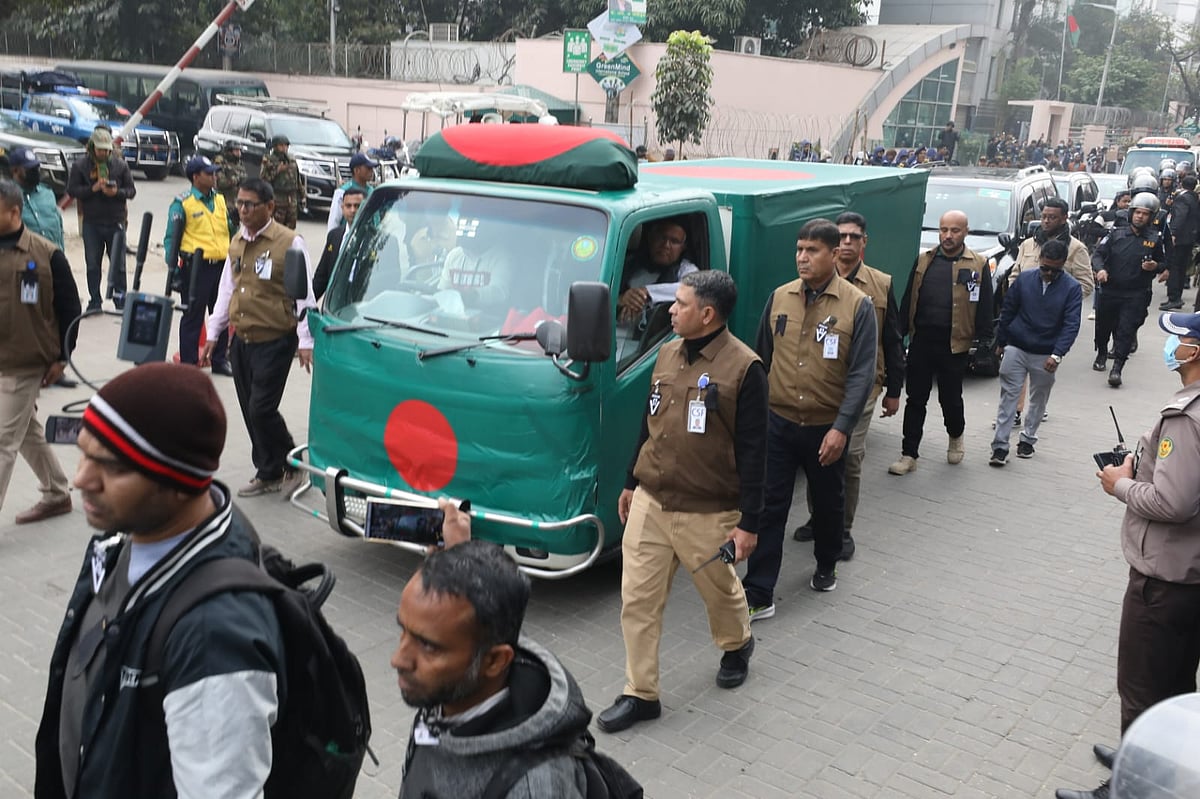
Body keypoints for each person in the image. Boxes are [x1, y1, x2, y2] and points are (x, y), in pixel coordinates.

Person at [33, 362, 285, 799]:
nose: (80, 480)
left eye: (110, 466)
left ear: (179, 483)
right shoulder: (135, 530)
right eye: (84, 452)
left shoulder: (215, 636)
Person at [597, 270, 765, 733]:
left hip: (708, 510)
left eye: (681, 303)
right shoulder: (666, 352)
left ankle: (736, 643)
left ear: (707, 314)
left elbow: (755, 451)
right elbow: (648, 423)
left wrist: (750, 523)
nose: (670, 309)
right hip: (652, 502)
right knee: (637, 600)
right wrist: (631, 481)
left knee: (720, 590)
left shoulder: (744, 369)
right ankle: (640, 693)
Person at [1054, 311, 1200, 799]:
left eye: (1177, 340)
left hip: (1164, 580)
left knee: (1140, 687)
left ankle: (1129, 787)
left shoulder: (1187, 418)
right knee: (1176, 684)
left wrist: (1122, 485)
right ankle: (1152, 752)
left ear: (1194, 351)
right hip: (1189, 577)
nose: (1169, 346)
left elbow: (1172, 503)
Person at [741, 219, 876, 614]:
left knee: (829, 503)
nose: (802, 257)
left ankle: (826, 561)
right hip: (779, 424)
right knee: (770, 506)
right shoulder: (779, 298)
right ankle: (760, 591)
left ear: (835, 254)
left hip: (825, 428)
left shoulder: (856, 305)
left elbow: (861, 374)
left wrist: (841, 429)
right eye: (799, 249)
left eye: (812, 250)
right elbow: (759, 360)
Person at [395, 533, 596, 797]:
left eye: (429, 646)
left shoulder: (535, 788)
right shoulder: (451, 689)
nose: (398, 659)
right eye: (403, 630)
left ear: (494, 661)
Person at [792, 212, 904, 561]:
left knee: (849, 457)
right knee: (816, 455)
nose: (847, 243)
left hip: (863, 388)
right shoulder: (808, 282)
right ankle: (817, 516)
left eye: (854, 237)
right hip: (818, 387)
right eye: (841, 236)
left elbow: (893, 339)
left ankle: (841, 529)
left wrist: (895, 390)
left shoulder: (880, 284)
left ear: (864, 242)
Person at [201, 177, 315, 498]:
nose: (243, 209)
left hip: (276, 339)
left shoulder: (290, 242)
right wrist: (214, 333)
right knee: (251, 411)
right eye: (239, 203)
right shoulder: (237, 241)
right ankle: (268, 471)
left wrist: (306, 340)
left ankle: (292, 463)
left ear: (269, 206)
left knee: (261, 408)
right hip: (243, 339)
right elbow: (227, 289)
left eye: (250, 204)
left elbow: (305, 296)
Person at [0, 178, 80, 525]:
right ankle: (57, 493)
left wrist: (63, 357)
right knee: (25, 430)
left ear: (13, 212)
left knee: (3, 440)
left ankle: (56, 493)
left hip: (26, 361)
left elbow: (70, 309)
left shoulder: (46, 255)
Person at [889, 210, 993, 474]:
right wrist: (899, 336)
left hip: (954, 345)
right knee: (915, 399)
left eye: (954, 230)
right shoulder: (924, 260)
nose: (948, 236)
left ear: (965, 232)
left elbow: (985, 305)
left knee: (950, 398)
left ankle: (955, 435)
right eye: (943, 229)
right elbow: (908, 297)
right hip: (922, 341)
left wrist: (984, 341)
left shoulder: (978, 263)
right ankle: (909, 453)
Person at [988, 239, 1082, 465]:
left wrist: (1057, 354)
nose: (1049, 273)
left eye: (1055, 270)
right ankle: (1000, 446)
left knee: (1039, 399)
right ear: (1039, 260)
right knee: (1009, 397)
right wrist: (1001, 341)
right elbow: (1008, 309)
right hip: (1017, 347)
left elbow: (1071, 324)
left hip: (1046, 353)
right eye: (1045, 268)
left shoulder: (1071, 288)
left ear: (1063, 265)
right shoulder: (1024, 279)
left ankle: (1028, 439)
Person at [163, 155, 235, 375]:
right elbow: (171, 239)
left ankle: (220, 359)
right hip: (195, 268)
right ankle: (188, 363)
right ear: (196, 177)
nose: (214, 176)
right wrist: (174, 269)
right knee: (193, 316)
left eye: (215, 172)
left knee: (221, 314)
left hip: (221, 265)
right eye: (209, 173)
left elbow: (230, 230)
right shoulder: (182, 203)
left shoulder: (220, 199)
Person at [1092, 193, 1167, 387]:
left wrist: (1156, 267)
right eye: (1137, 212)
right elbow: (1098, 255)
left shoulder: (1154, 239)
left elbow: (1164, 262)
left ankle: (1117, 367)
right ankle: (1101, 353)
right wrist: (1100, 270)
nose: (1140, 217)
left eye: (1145, 214)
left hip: (1136, 293)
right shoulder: (1116, 234)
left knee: (1125, 330)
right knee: (1103, 327)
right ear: (1131, 213)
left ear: (1151, 217)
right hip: (1110, 290)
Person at [66, 126, 135, 312]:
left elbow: (131, 191)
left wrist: (116, 192)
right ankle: (94, 299)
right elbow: (72, 190)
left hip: (115, 221)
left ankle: (120, 298)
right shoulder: (80, 166)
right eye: (100, 149)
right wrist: (92, 189)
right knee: (92, 264)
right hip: (92, 222)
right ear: (92, 148)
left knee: (118, 264)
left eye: (107, 149)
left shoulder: (120, 165)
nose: (103, 153)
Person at [617, 218, 699, 324]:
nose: (666, 245)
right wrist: (621, 299)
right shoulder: (626, 264)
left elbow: (694, 288)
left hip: (656, 339)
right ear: (650, 238)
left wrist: (647, 292)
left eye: (674, 241)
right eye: (662, 238)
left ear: (683, 247)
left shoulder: (685, 269)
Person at [1010, 198, 1094, 296]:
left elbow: (1086, 285)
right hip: (1026, 307)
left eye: (1052, 217)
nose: (1046, 221)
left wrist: (1059, 299)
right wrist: (1016, 296)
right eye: (1043, 216)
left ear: (1064, 218)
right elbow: (1015, 275)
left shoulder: (1076, 248)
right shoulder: (1027, 245)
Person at [313, 186, 365, 301]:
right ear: (342, 208)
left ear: (366, 208)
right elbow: (321, 278)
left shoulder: (375, 239)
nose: (352, 210)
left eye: (357, 206)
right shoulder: (334, 236)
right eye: (348, 206)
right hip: (334, 306)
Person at [7, 146, 64, 249]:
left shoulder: (47, 193)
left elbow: (58, 227)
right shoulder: (8, 198)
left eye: (36, 167)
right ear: (15, 171)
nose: (35, 171)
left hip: (53, 258)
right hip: (26, 261)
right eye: (29, 169)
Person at [1162, 173, 1199, 311]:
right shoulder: (1194, 197)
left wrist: (1173, 233)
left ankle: (1174, 298)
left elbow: (1181, 216)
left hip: (1181, 238)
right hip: (1190, 238)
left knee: (1174, 266)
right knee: (1182, 267)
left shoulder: (1183, 198)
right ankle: (1177, 296)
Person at [259, 134, 301, 228]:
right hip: (278, 197)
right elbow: (263, 180)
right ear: (275, 146)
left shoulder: (291, 159)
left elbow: (297, 178)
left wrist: (302, 194)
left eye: (286, 145)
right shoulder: (269, 160)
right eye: (281, 145)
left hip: (291, 197)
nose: (284, 148)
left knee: (291, 226)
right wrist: (277, 171)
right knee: (277, 226)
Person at [327, 152, 376, 232]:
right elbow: (333, 222)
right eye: (368, 168)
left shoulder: (372, 191)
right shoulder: (342, 192)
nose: (371, 171)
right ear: (357, 170)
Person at [214, 139, 247, 228]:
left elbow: (244, 180)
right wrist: (236, 180)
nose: (239, 153)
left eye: (239, 151)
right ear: (229, 151)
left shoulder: (239, 163)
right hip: (224, 202)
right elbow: (221, 183)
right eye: (236, 151)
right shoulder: (220, 162)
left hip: (236, 202)